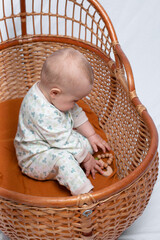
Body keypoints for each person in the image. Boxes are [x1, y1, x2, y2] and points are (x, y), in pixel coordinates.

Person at [14, 48, 110, 196]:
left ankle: (80, 155)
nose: (76, 104)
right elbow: (64, 141)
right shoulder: (43, 112)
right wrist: (87, 158)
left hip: (56, 139)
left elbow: (75, 112)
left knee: (87, 144)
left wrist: (91, 136)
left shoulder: (53, 94)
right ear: (55, 93)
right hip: (36, 156)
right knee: (65, 161)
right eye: (74, 100)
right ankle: (85, 194)